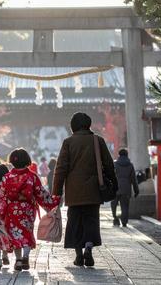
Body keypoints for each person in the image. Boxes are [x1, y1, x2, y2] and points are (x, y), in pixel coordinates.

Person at [52, 112, 117, 267]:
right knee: (91, 221)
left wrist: (57, 192)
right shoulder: (97, 140)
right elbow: (108, 164)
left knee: (75, 222)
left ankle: (79, 255)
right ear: (89, 124)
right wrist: (113, 184)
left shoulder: (68, 142)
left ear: (73, 126)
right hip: (94, 190)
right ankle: (89, 246)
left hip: (74, 193)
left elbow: (60, 169)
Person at [0, 148, 60, 271]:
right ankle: (26, 257)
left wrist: (1, 212)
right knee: (26, 233)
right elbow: (41, 193)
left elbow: (3, 195)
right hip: (27, 210)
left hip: (12, 211)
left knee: (15, 234)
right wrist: (54, 201)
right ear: (27, 160)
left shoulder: (7, 177)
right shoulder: (32, 176)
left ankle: (18, 260)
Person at [113, 149, 139, 227]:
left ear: (119, 155)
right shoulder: (130, 165)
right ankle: (124, 222)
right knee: (125, 206)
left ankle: (115, 219)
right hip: (126, 188)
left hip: (116, 188)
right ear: (127, 155)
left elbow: (111, 176)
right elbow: (134, 179)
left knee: (113, 204)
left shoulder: (115, 164)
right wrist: (136, 190)